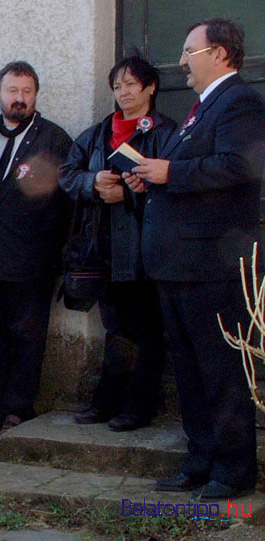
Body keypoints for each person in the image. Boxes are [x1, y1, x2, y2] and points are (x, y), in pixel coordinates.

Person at [126, 18, 265, 500]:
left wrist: (171, 172)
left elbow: (240, 165)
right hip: (178, 267)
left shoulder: (240, 101)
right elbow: (185, 171)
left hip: (213, 267)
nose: (182, 61)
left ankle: (232, 471)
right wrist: (152, 175)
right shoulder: (200, 107)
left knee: (221, 370)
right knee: (188, 371)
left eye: (190, 51)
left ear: (221, 54)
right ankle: (201, 460)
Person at [59, 55, 177, 431]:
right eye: (118, 86)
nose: (123, 92)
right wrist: (94, 185)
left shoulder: (165, 132)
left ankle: (139, 406)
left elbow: (176, 187)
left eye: (130, 84)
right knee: (114, 327)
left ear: (150, 87)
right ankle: (106, 401)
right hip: (102, 247)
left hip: (145, 249)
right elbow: (67, 175)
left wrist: (128, 195)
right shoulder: (96, 134)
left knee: (146, 329)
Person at [0, 61, 73, 449]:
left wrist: (47, 250)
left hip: (31, 262)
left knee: (26, 339)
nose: (19, 98)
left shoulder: (54, 139)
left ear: (35, 96)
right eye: (12, 90)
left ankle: (17, 414)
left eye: (27, 91)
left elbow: (62, 206)